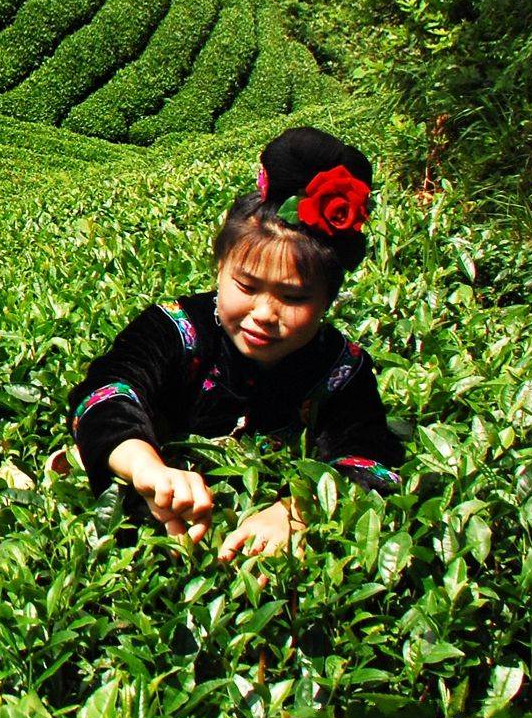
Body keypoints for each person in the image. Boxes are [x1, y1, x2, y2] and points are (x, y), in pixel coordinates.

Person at [66, 127, 406, 561]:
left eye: (294, 297)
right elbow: (107, 393)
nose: (264, 313)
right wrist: (145, 467)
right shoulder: (174, 329)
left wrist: (296, 512)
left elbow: (370, 460)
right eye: (246, 285)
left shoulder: (341, 370)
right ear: (221, 267)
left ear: (328, 300)